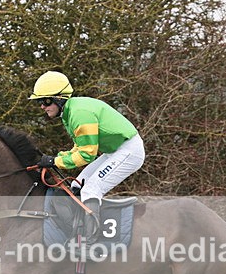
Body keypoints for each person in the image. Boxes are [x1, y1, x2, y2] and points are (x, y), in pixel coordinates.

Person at [28, 71, 145, 242]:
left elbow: (86, 155)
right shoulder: (69, 112)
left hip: (129, 151)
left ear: (59, 99)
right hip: (115, 151)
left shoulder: (78, 114)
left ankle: (90, 241)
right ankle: (78, 230)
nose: (42, 106)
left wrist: (56, 161)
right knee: (77, 185)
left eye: (45, 101)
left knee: (91, 189)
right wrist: (57, 158)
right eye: (40, 101)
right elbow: (79, 148)